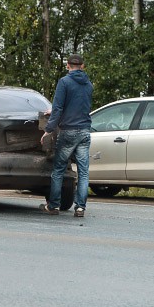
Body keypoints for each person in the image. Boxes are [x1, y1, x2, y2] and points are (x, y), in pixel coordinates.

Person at [40, 54, 93, 217]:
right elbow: (77, 106)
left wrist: (48, 129)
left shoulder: (64, 82)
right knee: (83, 172)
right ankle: (80, 208)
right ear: (82, 66)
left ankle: (54, 205)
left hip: (69, 132)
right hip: (84, 131)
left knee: (58, 170)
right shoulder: (89, 85)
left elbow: (58, 108)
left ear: (68, 65)